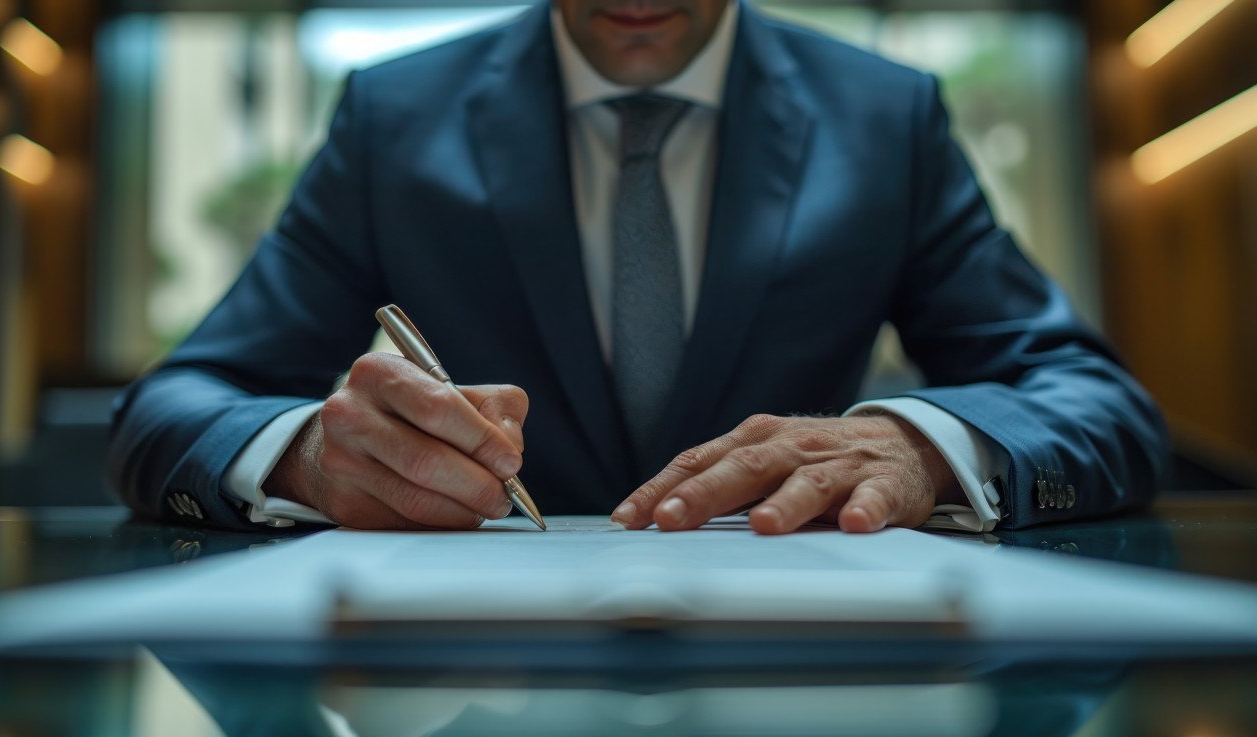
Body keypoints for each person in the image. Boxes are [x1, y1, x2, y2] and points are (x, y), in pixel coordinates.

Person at [107, 0, 1169, 535]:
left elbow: (1092, 402)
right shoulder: (393, 121)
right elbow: (177, 405)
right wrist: (303, 458)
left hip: (805, 689)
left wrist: (921, 444)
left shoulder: (884, 120)